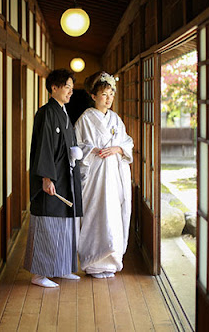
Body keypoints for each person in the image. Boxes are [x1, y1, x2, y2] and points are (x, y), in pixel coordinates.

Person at [24, 69, 84, 288]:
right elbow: (44, 148)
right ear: (54, 88)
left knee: (65, 225)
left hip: (65, 176)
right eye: (66, 87)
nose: (70, 91)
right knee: (47, 223)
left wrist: (75, 152)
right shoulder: (46, 112)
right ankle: (39, 273)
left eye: (71, 87)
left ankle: (61, 268)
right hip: (52, 178)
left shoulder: (63, 112)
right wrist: (46, 177)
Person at [74, 71, 133, 278]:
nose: (108, 99)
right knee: (95, 214)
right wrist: (92, 150)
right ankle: (92, 261)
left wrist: (117, 149)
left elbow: (127, 142)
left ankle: (111, 261)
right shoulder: (85, 119)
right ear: (93, 96)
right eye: (104, 94)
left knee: (113, 215)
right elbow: (77, 147)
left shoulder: (116, 119)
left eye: (111, 94)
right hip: (95, 176)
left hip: (113, 176)